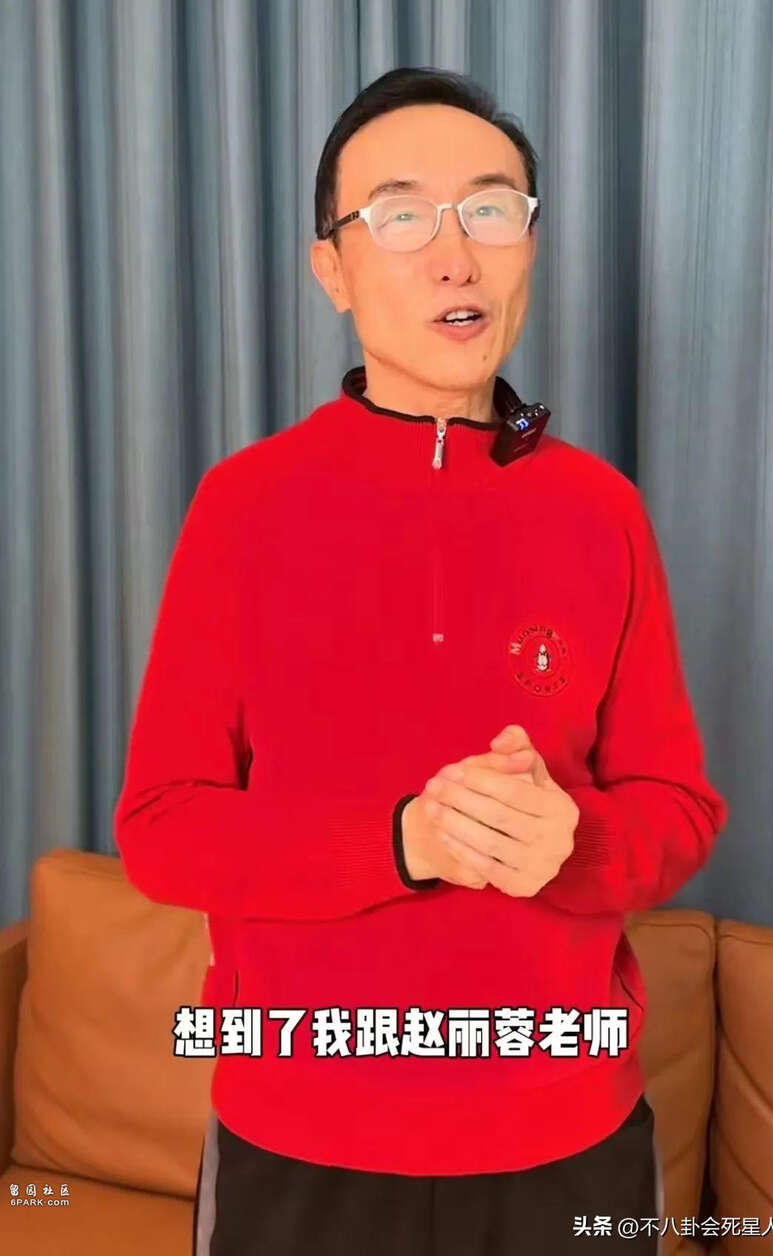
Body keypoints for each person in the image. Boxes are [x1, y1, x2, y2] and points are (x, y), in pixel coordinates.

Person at [113, 67, 729, 1255]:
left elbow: (679, 806)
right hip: (298, 1135)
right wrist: (402, 839)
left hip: (566, 1128)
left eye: (490, 210)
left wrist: (573, 840)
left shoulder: (600, 509)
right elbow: (162, 826)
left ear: (527, 246)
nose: (455, 256)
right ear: (332, 269)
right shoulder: (244, 505)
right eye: (401, 216)